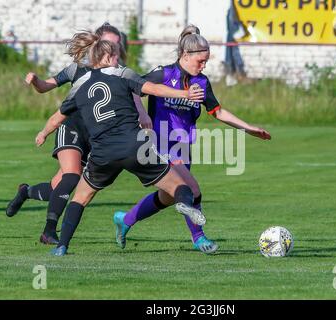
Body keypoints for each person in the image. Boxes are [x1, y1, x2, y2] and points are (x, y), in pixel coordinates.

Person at [35, 31, 207, 256]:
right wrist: (185, 94)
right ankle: (183, 204)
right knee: (180, 187)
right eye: (116, 55)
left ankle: (62, 246)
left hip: (102, 154)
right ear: (106, 58)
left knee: (80, 198)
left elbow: (57, 117)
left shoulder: (79, 86)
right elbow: (154, 89)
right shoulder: (123, 74)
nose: (118, 59)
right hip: (134, 147)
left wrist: (43, 133)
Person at [112, 25, 271, 254]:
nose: (204, 65)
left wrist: (248, 128)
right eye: (201, 61)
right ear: (185, 55)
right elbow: (134, 89)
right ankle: (199, 238)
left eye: (206, 61)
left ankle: (125, 220)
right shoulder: (163, 74)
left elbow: (217, 111)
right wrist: (143, 114)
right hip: (159, 144)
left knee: (166, 197)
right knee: (191, 189)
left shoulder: (202, 82)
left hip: (183, 146)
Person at [5, 23, 152, 245]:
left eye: (117, 45)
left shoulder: (118, 72)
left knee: (56, 188)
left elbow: (134, 96)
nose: (115, 50)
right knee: (72, 176)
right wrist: (36, 81)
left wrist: (143, 115)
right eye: (111, 44)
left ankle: (25, 192)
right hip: (71, 128)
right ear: (98, 44)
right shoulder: (76, 69)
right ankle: (49, 232)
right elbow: (46, 86)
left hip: (95, 137)